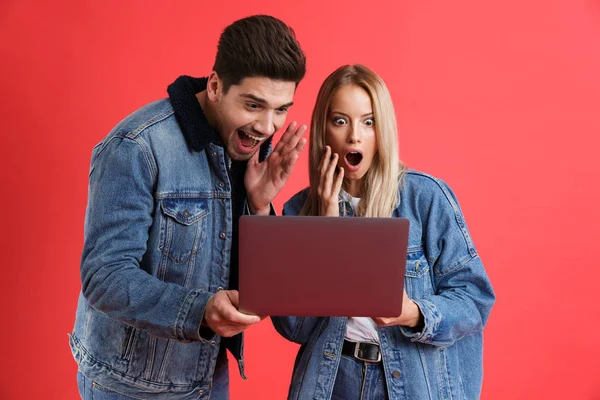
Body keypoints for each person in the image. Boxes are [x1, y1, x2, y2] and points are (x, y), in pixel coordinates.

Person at [69, 15, 307, 399]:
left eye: (281, 109)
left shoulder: (249, 153)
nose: (267, 126)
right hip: (130, 385)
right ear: (215, 86)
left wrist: (260, 207)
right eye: (253, 104)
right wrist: (201, 309)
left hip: (207, 375)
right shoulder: (137, 147)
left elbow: (258, 284)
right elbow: (104, 276)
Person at [272, 64, 495, 400]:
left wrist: (412, 313)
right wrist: (325, 230)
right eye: (340, 120)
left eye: (368, 121)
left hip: (411, 382)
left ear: (382, 129)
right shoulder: (298, 210)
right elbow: (295, 328)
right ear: (324, 129)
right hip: (332, 381)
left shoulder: (424, 198)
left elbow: (474, 300)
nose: (354, 136)